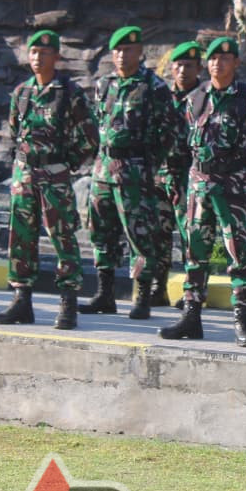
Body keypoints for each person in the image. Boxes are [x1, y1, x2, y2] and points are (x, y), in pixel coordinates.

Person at [159, 36, 246, 347]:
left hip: (231, 189)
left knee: (240, 255)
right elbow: (180, 145)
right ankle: (191, 317)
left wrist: (238, 173)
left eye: (225, 58)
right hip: (198, 188)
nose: (218, 63)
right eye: (213, 59)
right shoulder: (195, 99)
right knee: (195, 254)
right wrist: (177, 182)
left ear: (236, 63)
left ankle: (242, 322)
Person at [0, 29, 98, 329]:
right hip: (24, 176)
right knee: (20, 239)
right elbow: (15, 133)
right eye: (33, 52)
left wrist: (67, 165)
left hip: (54, 177)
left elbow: (90, 138)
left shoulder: (69, 93)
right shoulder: (21, 92)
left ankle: (68, 304)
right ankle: (21, 300)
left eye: (44, 52)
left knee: (62, 238)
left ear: (56, 57)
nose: (37, 57)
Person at [79, 26, 179, 320]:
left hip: (134, 172)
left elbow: (169, 131)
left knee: (140, 237)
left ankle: (142, 297)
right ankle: (105, 293)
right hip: (102, 171)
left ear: (140, 52)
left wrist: (147, 164)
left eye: (129, 50)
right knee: (100, 233)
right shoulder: (104, 85)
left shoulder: (153, 87)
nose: (123, 55)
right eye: (118, 50)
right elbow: (97, 125)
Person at [154, 40, 203, 309]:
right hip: (162, 174)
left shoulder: (205, 97)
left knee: (191, 238)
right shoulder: (160, 96)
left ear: (198, 69)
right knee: (157, 235)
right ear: (172, 68)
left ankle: (191, 293)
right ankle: (157, 288)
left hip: (190, 176)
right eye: (179, 65)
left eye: (189, 66)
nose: (183, 70)